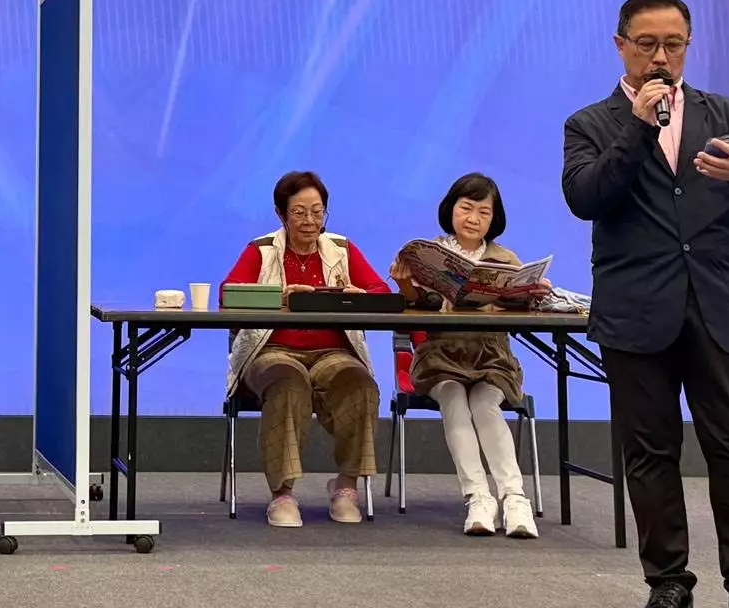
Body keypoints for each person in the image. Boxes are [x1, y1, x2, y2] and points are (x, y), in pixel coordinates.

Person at [563, 0, 729, 608]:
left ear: (689, 45)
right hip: (636, 313)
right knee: (650, 454)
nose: (661, 57)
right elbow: (586, 196)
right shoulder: (591, 123)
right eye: (647, 44)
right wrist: (639, 128)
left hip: (719, 308)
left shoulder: (727, 115)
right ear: (621, 46)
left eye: (674, 44)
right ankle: (667, 586)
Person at [221, 170, 391, 527]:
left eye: (317, 211)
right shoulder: (261, 250)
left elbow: (380, 292)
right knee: (287, 382)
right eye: (299, 212)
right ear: (281, 214)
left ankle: (346, 486)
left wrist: (357, 296)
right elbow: (229, 293)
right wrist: (279, 297)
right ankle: (282, 494)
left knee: (360, 385)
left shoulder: (341, 249)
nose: (310, 221)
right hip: (272, 349)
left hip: (332, 353)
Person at [390, 173, 539, 539]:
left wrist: (532, 292)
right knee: (454, 397)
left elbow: (520, 308)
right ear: (451, 209)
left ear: (494, 218)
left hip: (491, 358)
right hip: (441, 357)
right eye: (466, 208)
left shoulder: (505, 259)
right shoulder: (429, 254)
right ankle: (478, 498)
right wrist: (404, 282)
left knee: (485, 404)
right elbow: (414, 307)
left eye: (483, 212)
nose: (473, 219)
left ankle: (514, 498)